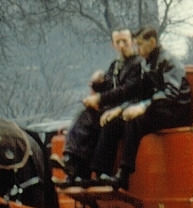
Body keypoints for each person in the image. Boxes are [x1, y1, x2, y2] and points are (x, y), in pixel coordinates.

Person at [90, 26, 193, 190]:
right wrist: (121, 109)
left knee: (135, 121)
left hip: (175, 110)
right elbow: (139, 92)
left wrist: (143, 107)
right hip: (157, 107)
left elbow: (171, 94)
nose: (137, 49)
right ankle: (101, 173)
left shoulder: (169, 61)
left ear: (152, 42)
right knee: (114, 121)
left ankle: (124, 175)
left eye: (140, 44)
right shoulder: (146, 63)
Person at [58, 28, 144, 185]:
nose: (122, 45)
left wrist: (99, 98)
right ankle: (72, 162)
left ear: (132, 41)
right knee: (86, 115)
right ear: (113, 45)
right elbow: (109, 87)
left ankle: (100, 172)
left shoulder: (138, 65)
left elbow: (127, 91)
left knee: (108, 122)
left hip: (130, 107)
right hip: (113, 107)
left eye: (125, 41)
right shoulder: (116, 65)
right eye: (118, 42)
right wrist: (98, 84)